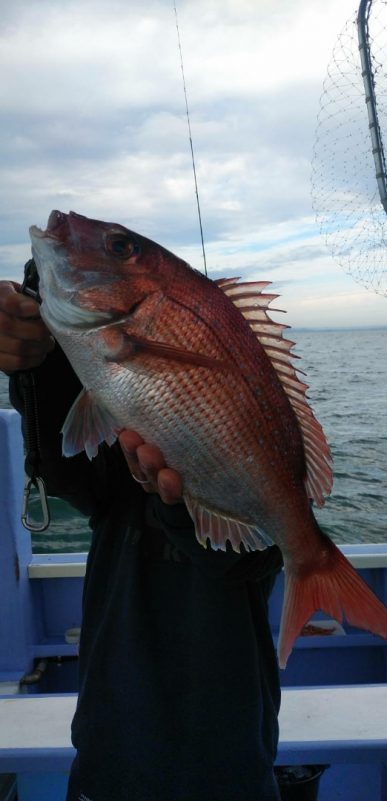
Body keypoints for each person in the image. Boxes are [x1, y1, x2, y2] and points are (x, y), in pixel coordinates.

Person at [0, 277, 283, 801]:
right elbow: (70, 457)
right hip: (109, 759)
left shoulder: (258, 462)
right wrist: (38, 364)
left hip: (231, 766)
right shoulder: (113, 470)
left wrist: (181, 508)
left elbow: (251, 556)